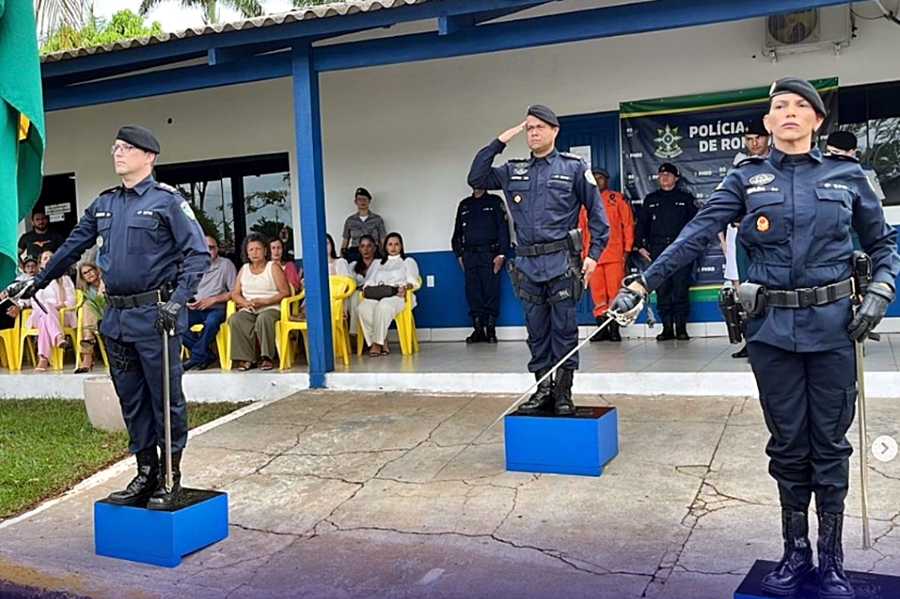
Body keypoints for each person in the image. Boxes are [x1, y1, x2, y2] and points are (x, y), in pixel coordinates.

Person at [609, 77, 900, 599]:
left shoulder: (849, 175)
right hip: (772, 333)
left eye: (800, 106)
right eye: (779, 107)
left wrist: (881, 290)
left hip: (835, 329)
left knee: (830, 445)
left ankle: (831, 562)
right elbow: (696, 232)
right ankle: (795, 553)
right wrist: (641, 284)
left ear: (816, 120)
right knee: (788, 445)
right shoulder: (746, 179)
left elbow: (884, 242)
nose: (789, 112)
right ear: (767, 124)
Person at [6, 124, 210, 509]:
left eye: (126, 148)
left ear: (148, 156)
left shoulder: (167, 201)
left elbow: (197, 254)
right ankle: (146, 472)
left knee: (165, 401)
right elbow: (70, 247)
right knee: (132, 401)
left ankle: (171, 478)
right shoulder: (105, 203)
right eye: (115, 147)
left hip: (156, 316)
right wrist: (35, 282)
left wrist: (179, 300)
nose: (117, 153)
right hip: (116, 319)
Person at [468, 104, 608, 416]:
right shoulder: (513, 170)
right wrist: (501, 140)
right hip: (528, 266)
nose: (533, 133)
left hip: (561, 263)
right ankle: (543, 389)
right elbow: (476, 176)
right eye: (529, 128)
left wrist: (594, 256)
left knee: (564, 330)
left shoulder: (573, 168)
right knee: (537, 332)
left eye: (539, 127)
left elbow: (598, 218)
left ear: (554, 131)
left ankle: (563, 392)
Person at [724, 117, 770, 359]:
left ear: (768, 138)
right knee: (745, 289)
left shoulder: (777, 162)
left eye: (758, 138)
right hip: (745, 234)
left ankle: (771, 341)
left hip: (772, 236)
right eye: (749, 139)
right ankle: (751, 340)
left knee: (771, 287)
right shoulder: (739, 166)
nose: (753, 144)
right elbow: (728, 198)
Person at [635, 163, 698, 341]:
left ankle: (681, 328)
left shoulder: (685, 198)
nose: (665, 177)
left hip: (680, 249)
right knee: (662, 289)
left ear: (676, 178)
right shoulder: (651, 199)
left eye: (669, 175)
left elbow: (697, 223)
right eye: (662, 174)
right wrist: (640, 245)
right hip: (658, 249)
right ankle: (667, 329)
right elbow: (642, 225)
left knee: (680, 288)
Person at [579, 168, 633, 342]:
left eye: (600, 178)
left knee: (615, 292)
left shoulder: (616, 199)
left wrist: (627, 250)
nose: (597, 181)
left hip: (614, 254)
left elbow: (628, 225)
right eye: (593, 178)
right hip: (593, 256)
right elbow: (581, 230)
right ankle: (601, 328)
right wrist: (582, 253)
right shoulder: (584, 203)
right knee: (598, 294)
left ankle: (615, 329)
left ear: (607, 180)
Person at [451, 187, 510, 343]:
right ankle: (478, 329)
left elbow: (504, 230)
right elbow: (457, 234)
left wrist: (502, 254)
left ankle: (490, 329)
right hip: (470, 255)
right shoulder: (465, 205)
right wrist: (459, 255)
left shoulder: (495, 202)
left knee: (491, 291)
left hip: (489, 254)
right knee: (473, 292)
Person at [228, 233, 290, 371]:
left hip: (272, 307)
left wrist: (265, 301)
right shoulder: (244, 269)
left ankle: (267, 357)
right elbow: (235, 293)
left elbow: (285, 292)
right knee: (235, 319)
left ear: (265, 251)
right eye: (251, 250)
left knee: (263, 318)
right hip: (250, 307)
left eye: (258, 249)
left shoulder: (273, 267)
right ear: (247, 253)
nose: (254, 253)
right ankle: (247, 358)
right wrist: (244, 303)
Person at [358, 232, 420, 357]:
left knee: (384, 306)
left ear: (401, 246)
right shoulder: (378, 263)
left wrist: (405, 287)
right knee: (363, 308)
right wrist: (367, 288)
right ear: (385, 247)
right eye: (390, 244)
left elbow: (413, 280)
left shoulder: (407, 261)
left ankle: (376, 344)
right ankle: (382, 340)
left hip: (398, 295)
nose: (393, 247)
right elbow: (370, 281)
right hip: (378, 293)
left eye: (396, 244)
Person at [182, 235, 236, 371]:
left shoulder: (226, 265)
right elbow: (185, 289)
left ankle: (196, 357)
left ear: (217, 249)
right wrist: (187, 301)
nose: (208, 250)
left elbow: (234, 292)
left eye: (211, 247)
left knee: (211, 323)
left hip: (216, 308)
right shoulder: (193, 266)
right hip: (196, 308)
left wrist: (213, 299)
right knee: (176, 324)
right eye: (204, 247)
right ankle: (204, 355)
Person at [21, 250, 76, 372]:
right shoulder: (35, 281)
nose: (49, 259)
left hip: (62, 315)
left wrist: (57, 306)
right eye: (45, 258)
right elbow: (33, 302)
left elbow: (71, 300)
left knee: (44, 321)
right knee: (45, 308)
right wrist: (48, 307)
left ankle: (43, 358)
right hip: (38, 313)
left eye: (52, 257)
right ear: (41, 264)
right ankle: (59, 337)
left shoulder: (65, 279)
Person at [826, 130, 886, 202]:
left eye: (836, 152)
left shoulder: (865, 173)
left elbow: (877, 203)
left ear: (850, 152)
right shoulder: (821, 171)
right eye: (828, 151)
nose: (830, 155)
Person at [341, 187, 387, 263]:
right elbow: (345, 240)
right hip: (355, 251)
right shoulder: (350, 220)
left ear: (369, 201)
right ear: (355, 202)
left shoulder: (377, 219)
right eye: (359, 199)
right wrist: (342, 259)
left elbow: (382, 239)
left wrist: (386, 256)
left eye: (365, 199)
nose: (362, 201)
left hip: (373, 250)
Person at [74, 261, 105, 373]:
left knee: (88, 306)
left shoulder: (107, 281)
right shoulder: (87, 291)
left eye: (90, 270)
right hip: (95, 320)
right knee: (87, 306)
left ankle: (88, 355)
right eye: (85, 273)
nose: (89, 274)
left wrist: (102, 287)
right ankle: (88, 339)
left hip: (109, 314)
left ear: (96, 270)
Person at [348, 234, 378, 343]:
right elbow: (349, 283)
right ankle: (356, 336)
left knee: (356, 296)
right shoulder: (353, 266)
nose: (366, 249)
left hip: (373, 298)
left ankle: (355, 335)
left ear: (374, 248)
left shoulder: (379, 264)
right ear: (359, 249)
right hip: (354, 298)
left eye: (369, 246)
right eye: (362, 246)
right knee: (354, 295)